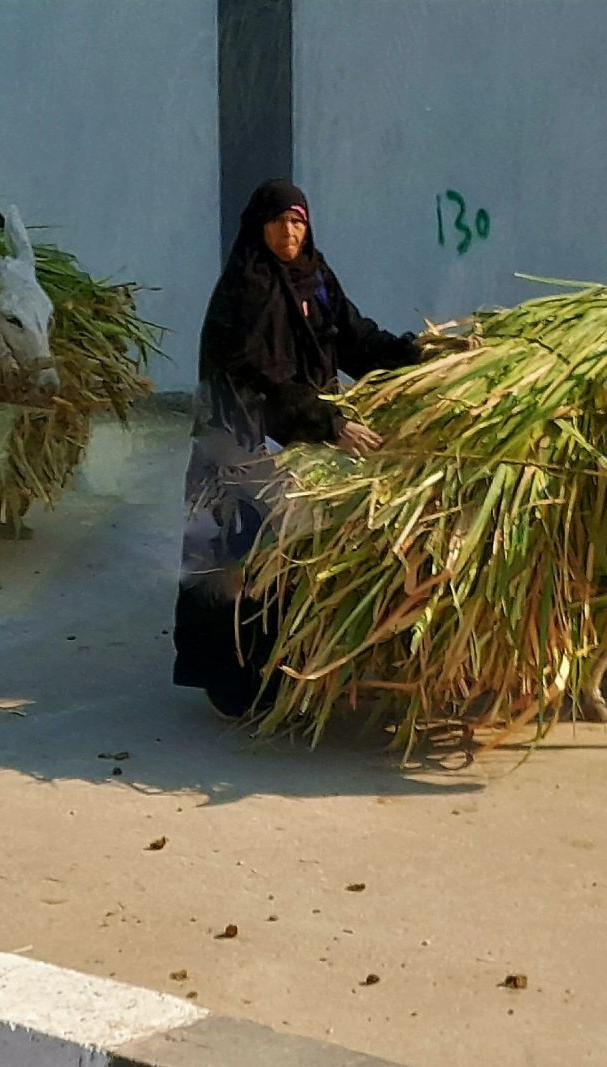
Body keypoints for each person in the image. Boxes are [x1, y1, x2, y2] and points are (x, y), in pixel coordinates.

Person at [173, 179, 422, 718]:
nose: (291, 232)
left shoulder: (316, 280)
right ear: (258, 226)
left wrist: (420, 357)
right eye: (281, 221)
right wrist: (327, 423)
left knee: (299, 556)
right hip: (239, 440)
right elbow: (259, 376)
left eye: (299, 221)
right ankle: (232, 680)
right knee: (243, 557)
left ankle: (294, 667)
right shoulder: (244, 291)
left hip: (296, 435)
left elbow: (354, 336)